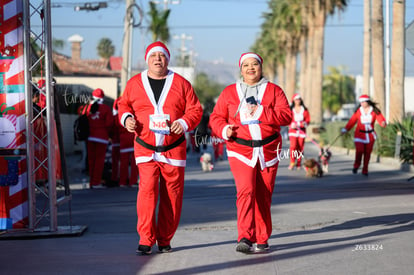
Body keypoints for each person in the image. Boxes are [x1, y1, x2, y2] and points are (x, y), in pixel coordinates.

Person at [118, 41, 203, 255]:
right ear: (147, 59)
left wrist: (183, 123)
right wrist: (127, 118)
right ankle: (146, 239)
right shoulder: (135, 83)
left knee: (172, 196)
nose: (158, 59)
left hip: (173, 148)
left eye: (162, 56)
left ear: (168, 59)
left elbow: (195, 109)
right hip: (145, 147)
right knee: (146, 190)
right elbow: (123, 104)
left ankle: (165, 239)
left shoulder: (182, 84)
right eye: (153, 55)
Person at [209, 52, 292, 253]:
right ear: (241, 69)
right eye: (246, 65)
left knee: (264, 194)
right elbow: (216, 117)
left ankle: (262, 237)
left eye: (254, 64)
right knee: (246, 190)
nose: (250, 68)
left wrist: (263, 111)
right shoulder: (229, 92)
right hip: (240, 149)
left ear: (261, 67)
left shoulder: (274, 90)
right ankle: (245, 237)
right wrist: (223, 129)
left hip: (269, 149)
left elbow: (286, 116)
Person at [341, 94, 386, 176]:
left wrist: (383, 123)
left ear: (367, 102)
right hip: (359, 135)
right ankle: (356, 165)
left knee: (367, 153)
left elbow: (381, 119)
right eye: (360, 102)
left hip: (370, 136)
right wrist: (345, 129)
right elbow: (352, 121)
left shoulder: (374, 111)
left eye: (363, 102)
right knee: (359, 150)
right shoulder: (358, 111)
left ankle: (365, 169)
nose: (362, 103)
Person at [86, 88, 113, 189]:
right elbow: (109, 123)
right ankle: (96, 182)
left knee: (91, 161)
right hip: (102, 137)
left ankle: (91, 182)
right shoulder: (105, 108)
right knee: (99, 161)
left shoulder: (88, 107)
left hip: (90, 137)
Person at [288, 93, 310, 170]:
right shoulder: (291, 109)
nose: (298, 101)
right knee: (293, 146)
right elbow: (287, 119)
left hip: (302, 131)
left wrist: (305, 123)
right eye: (296, 99)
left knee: (300, 147)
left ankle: (299, 163)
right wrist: (291, 124)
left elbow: (307, 120)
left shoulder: (305, 109)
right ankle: (292, 162)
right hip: (293, 131)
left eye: (299, 99)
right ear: (293, 100)